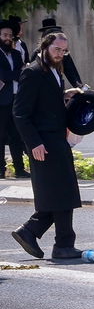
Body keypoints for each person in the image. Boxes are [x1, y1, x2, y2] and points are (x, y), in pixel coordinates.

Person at [10, 32, 84, 261]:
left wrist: (65, 95)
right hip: (43, 143)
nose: (60, 54)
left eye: (64, 51)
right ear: (45, 47)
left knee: (63, 192)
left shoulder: (54, 71)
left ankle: (31, 232)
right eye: (57, 50)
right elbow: (20, 113)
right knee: (61, 193)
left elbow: (46, 101)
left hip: (57, 139)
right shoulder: (32, 72)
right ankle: (61, 243)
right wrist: (34, 143)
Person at [1, 19, 29, 178]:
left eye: (10, 35)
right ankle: (0, 170)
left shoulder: (17, 54)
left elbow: (22, 74)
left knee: (16, 136)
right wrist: (13, 76)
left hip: (16, 99)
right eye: (4, 35)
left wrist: (7, 78)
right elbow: (9, 74)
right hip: (1, 101)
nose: (7, 38)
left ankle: (19, 169)